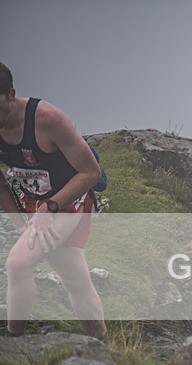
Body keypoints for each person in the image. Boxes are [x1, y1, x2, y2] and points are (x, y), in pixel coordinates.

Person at [0, 62, 107, 340]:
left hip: (70, 198)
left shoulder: (47, 119)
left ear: (10, 95)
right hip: (35, 204)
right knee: (76, 280)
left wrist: (51, 207)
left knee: (17, 264)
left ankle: (16, 347)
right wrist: (19, 223)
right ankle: (105, 350)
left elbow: (91, 172)